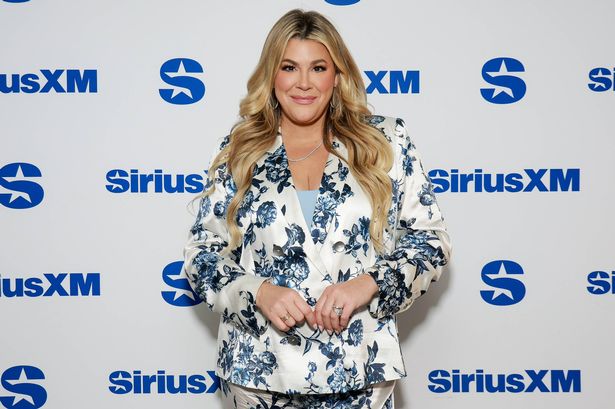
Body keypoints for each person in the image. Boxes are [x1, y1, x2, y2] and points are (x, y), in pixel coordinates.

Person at [183, 8, 451, 409]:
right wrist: (258, 292)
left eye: (318, 68)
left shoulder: (385, 141)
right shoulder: (240, 150)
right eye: (289, 67)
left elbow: (430, 242)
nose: (304, 83)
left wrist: (368, 283)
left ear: (337, 75)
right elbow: (202, 255)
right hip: (260, 373)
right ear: (272, 75)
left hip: (359, 369)